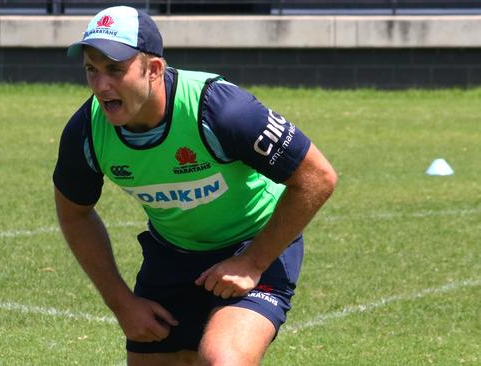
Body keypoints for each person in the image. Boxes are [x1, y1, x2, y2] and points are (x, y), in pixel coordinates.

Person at [53, 6, 337, 365]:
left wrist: (251, 261)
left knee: (221, 359)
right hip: (172, 255)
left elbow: (317, 177)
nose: (101, 85)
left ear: (153, 69)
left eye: (115, 69)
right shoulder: (87, 132)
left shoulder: (221, 111)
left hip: (256, 243)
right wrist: (122, 303)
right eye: (91, 70)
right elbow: (74, 214)